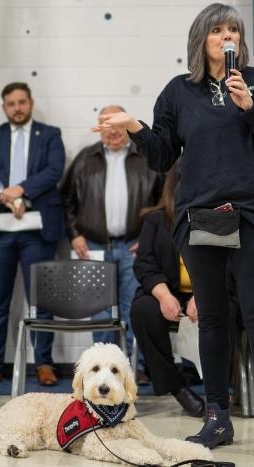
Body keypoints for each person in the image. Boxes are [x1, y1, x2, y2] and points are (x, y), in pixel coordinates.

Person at [92, 4, 254, 463]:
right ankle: (217, 419)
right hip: (201, 215)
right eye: (217, 30)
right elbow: (163, 155)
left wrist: (252, 108)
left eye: (233, 30)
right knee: (211, 317)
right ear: (201, 39)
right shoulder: (178, 92)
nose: (226, 36)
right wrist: (134, 128)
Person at [0, 82, 65, 387]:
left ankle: (44, 364)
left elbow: (54, 170)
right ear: (4, 107)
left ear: (31, 103)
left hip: (38, 230)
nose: (17, 108)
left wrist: (22, 191)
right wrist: (6, 197)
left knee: (41, 299)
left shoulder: (50, 134)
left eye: (22, 102)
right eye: (11, 104)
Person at [61, 105, 161, 381]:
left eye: (118, 122)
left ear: (127, 125)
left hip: (133, 246)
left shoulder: (146, 157)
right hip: (93, 246)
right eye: (106, 123)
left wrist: (148, 239)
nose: (113, 129)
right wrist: (75, 234)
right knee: (100, 314)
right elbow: (67, 201)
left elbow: (162, 204)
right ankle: (101, 373)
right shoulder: (84, 159)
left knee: (133, 311)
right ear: (99, 127)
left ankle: (132, 370)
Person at [129, 161, 205, 418]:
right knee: (143, 309)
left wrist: (203, 293)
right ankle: (178, 387)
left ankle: (227, 387)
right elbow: (144, 263)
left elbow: (226, 265)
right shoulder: (155, 220)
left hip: (207, 290)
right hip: (167, 289)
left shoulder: (218, 217)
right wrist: (163, 295)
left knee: (228, 308)